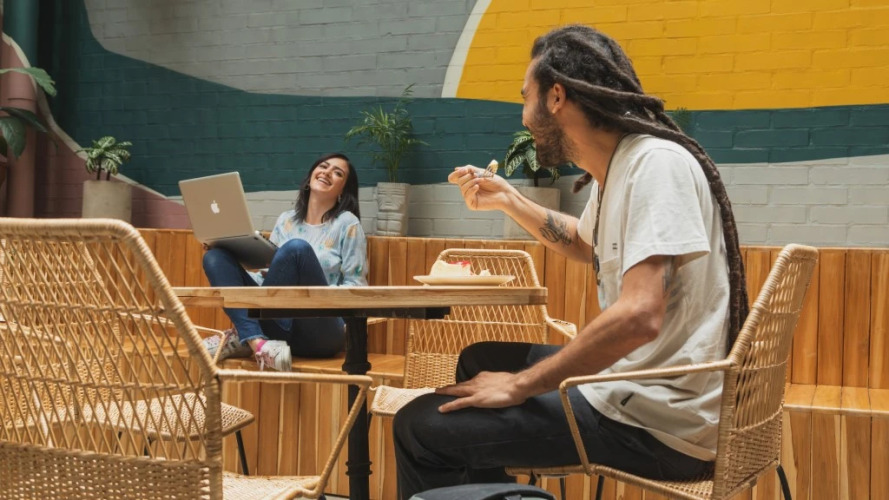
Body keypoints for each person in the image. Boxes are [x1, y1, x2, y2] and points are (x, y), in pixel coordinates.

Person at [393, 25, 749, 498]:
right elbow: (583, 243)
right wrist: (509, 200)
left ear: (556, 97)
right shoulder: (619, 168)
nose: (523, 116)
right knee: (480, 360)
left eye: (526, 97)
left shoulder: (655, 165)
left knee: (417, 428)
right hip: (644, 389)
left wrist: (520, 386)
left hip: (659, 421)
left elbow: (640, 316)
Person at [201, 152, 368, 372]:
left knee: (297, 249)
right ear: (310, 177)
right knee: (215, 257)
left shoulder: (348, 224)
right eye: (323, 166)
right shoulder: (286, 220)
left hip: (322, 330)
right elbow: (270, 278)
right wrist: (230, 253)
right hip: (278, 328)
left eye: (337, 173)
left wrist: (315, 285)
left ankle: (242, 336)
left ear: (343, 190)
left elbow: (356, 286)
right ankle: (256, 342)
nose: (327, 172)